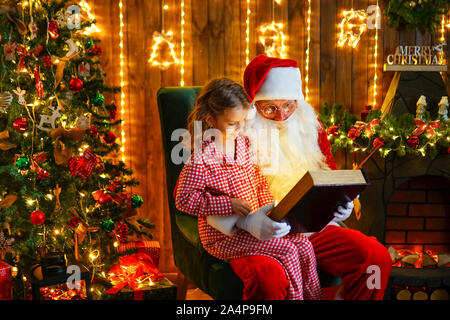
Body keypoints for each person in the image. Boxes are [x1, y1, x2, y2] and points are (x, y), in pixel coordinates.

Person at [208, 55, 392, 300]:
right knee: (268, 277)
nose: (282, 116)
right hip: (254, 235)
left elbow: (328, 176)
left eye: (288, 105)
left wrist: (339, 204)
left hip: (309, 229)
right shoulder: (233, 133)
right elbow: (208, 194)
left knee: (374, 258)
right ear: (254, 107)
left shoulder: (309, 126)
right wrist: (246, 222)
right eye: (270, 108)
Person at [174, 78, 323, 300]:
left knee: (303, 244)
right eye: (233, 123)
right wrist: (227, 204)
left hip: (256, 223)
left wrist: (271, 213)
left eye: (244, 121)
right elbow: (183, 199)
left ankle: (315, 297)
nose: (240, 128)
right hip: (224, 237)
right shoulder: (202, 158)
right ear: (211, 120)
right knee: (289, 251)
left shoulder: (244, 145)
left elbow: (259, 181)